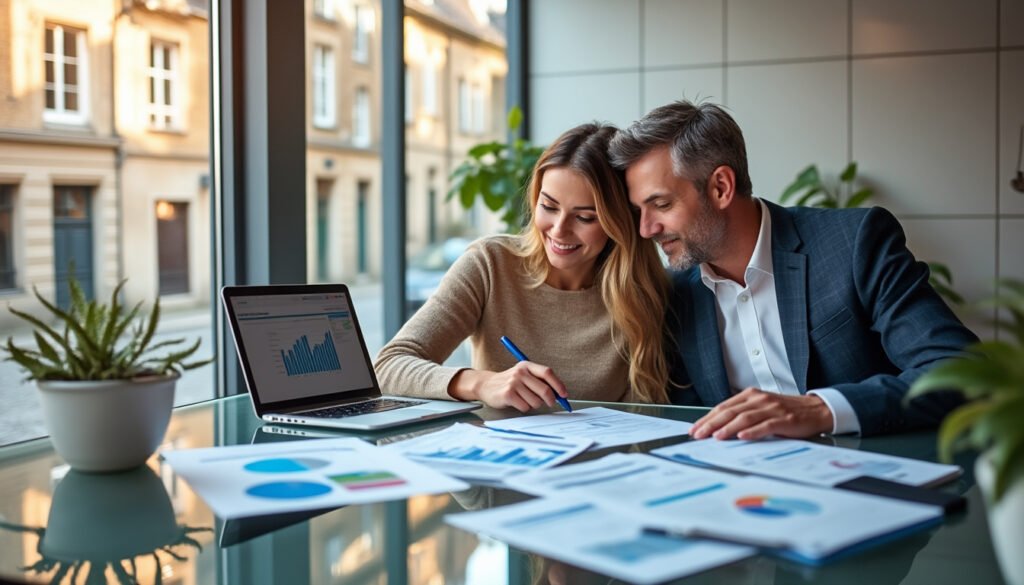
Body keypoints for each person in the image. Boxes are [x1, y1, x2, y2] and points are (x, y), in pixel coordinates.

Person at [608, 100, 977, 438]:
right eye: (640, 211)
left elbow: (959, 370)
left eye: (661, 204)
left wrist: (822, 409)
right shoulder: (676, 293)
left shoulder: (852, 244)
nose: (646, 229)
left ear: (721, 187)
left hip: (877, 478)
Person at [375, 123, 671, 411]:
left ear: (618, 223)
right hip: (503, 455)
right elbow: (388, 366)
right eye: (549, 206)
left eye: (584, 217)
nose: (558, 230)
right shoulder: (490, 264)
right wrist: (481, 384)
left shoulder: (642, 291)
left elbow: (645, 415)